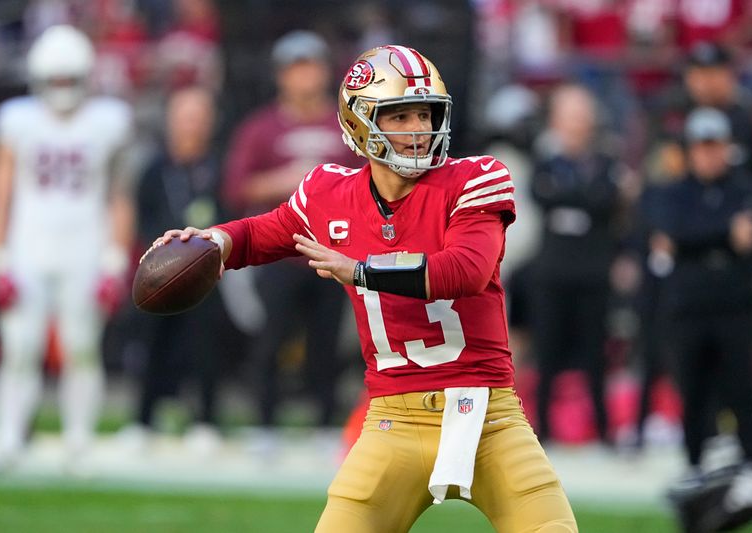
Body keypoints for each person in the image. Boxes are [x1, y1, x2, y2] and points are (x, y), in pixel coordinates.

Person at [147, 45, 577, 532]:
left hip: (488, 417)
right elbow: (261, 233)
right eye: (400, 116)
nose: (418, 129)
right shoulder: (329, 193)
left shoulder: (474, 179)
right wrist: (212, 240)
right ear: (359, 123)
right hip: (393, 421)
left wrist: (362, 270)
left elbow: (466, 270)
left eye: (425, 113)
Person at [0, 25, 134, 473]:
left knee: (82, 347)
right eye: (56, 80)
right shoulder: (17, 119)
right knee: (20, 348)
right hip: (28, 246)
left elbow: (118, 195)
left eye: (70, 80)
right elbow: (0, 192)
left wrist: (113, 260)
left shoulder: (109, 119)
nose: (63, 90)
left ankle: (78, 443)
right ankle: (9, 440)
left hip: (84, 247)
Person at [222, 30, 360, 431]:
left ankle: (323, 422)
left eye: (311, 68)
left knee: (328, 343)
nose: (304, 78)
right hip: (279, 253)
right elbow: (235, 188)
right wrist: (285, 181)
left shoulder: (347, 127)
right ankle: (264, 422)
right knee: (271, 341)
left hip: (333, 253)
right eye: (296, 69)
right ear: (282, 75)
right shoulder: (260, 128)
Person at [658, 108, 752, 528]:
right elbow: (676, 234)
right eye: (701, 148)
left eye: (715, 147)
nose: (709, 156)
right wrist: (725, 235)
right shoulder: (674, 192)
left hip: (734, 306)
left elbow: (751, 238)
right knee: (693, 390)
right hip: (690, 308)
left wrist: (703, 238)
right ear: (690, 152)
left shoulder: (745, 188)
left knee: (742, 389)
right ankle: (695, 465)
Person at [121, 86, 228, 454]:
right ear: (170, 122)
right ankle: (143, 420)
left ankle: (205, 421)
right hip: (160, 272)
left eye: (198, 118)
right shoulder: (154, 169)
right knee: (151, 345)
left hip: (208, 272)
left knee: (205, 347)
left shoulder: (217, 166)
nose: (191, 126)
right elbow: (140, 217)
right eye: (184, 118)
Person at [527, 83, 625, 445]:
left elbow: (605, 202)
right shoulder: (547, 161)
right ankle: (543, 430)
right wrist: (584, 200)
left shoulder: (604, 160)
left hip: (593, 271)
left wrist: (573, 200)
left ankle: (602, 429)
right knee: (547, 349)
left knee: (596, 352)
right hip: (553, 270)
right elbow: (542, 197)